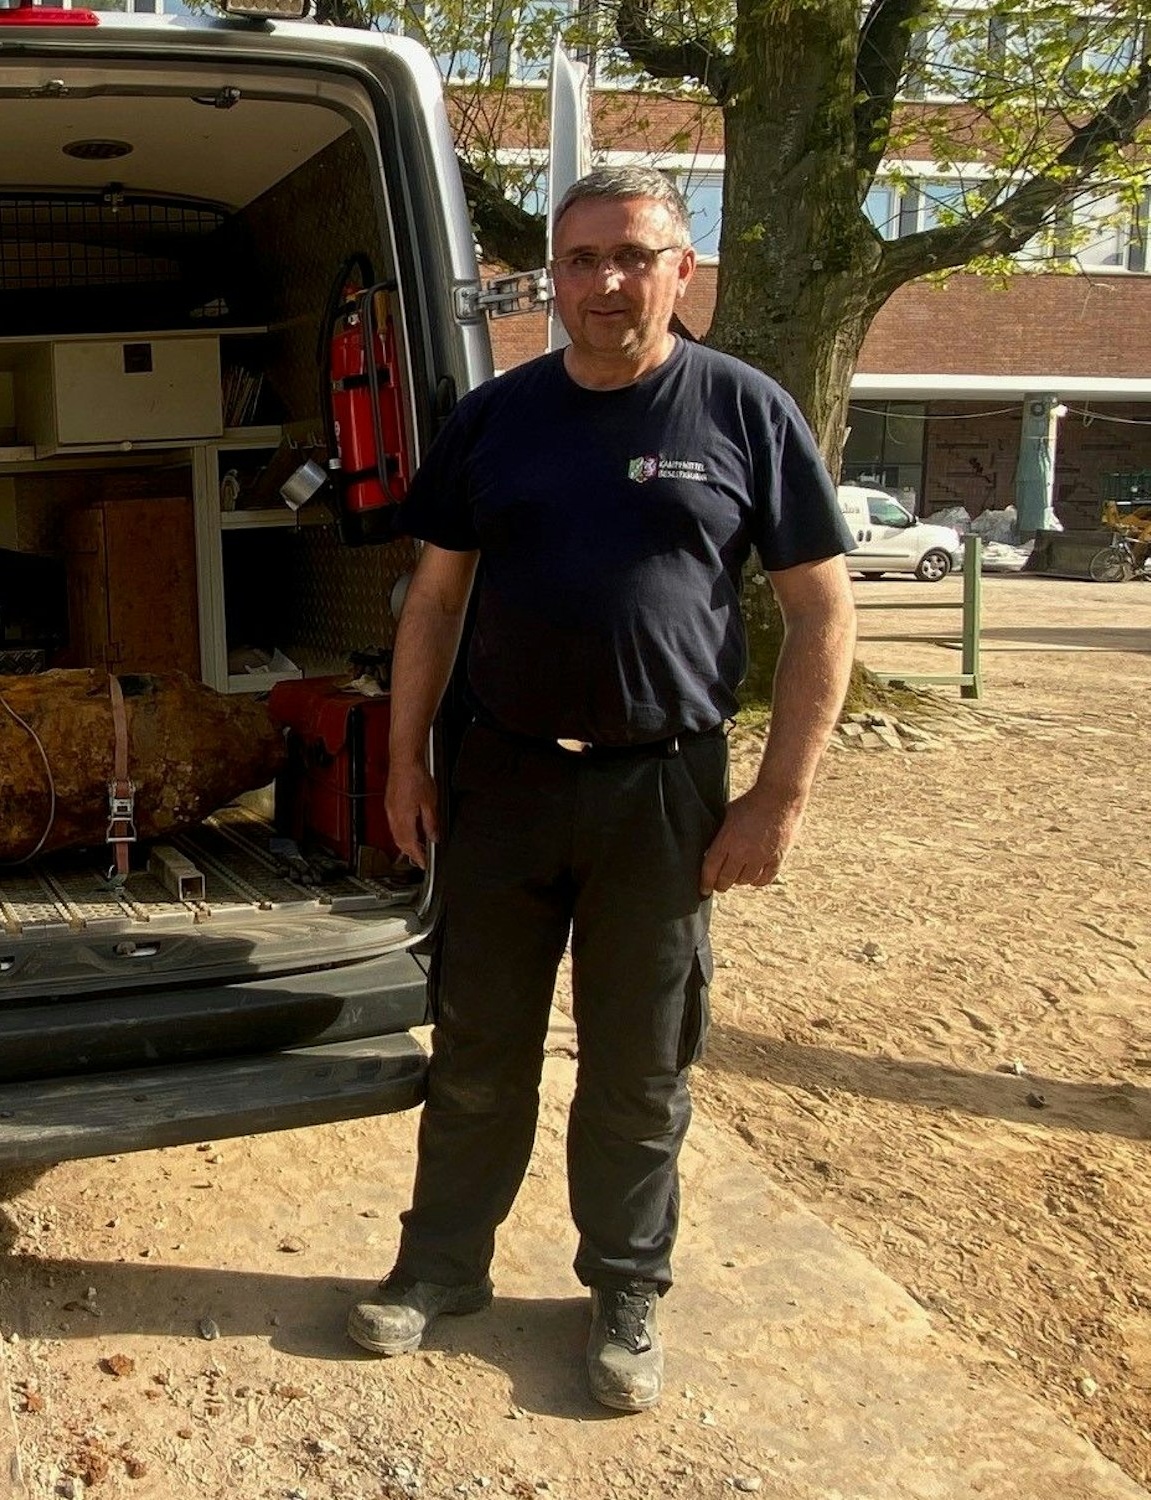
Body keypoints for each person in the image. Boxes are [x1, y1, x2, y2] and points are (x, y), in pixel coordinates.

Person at [344, 166, 857, 1411]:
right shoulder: (495, 418)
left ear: (681, 272)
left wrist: (776, 800)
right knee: (476, 1047)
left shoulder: (743, 413)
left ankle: (623, 1287)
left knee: (637, 1065)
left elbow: (818, 613)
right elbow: (433, 598)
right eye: (580, 260)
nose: (605, 283)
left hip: (664, 797)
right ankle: (439, 1267)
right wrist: (404, 760)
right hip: (502, 783)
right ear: (551, 280)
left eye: (633, 257)